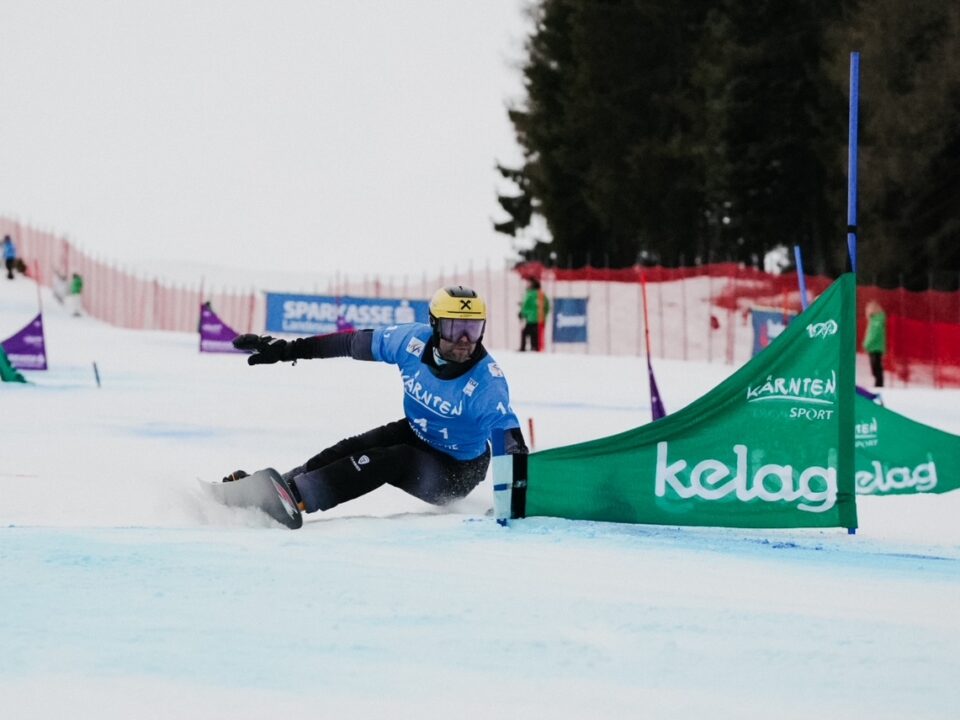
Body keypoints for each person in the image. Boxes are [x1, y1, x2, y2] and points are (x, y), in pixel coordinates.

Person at [225, 286, 528, 516]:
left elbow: (510, 444)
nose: (465, 340)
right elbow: (346, 343)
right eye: (455, 328)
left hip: (456, 471)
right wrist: (287, 350)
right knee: (351, 448)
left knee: (391, 460)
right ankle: (278, 487)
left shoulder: (487, 383)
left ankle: (295, 499)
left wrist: (517, 500)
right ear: (434, 326)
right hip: (418, 432)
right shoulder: (410, 342)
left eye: (472, 329)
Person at [519, 278, 549, 351]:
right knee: (535, 334)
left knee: (525, 332)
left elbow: (525, 306)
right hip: (540, 319)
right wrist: (544, 315)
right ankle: (535, 347)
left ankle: (523, 347)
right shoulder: (542, 295)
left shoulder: (529, 295)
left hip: (530, 319)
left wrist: (522, 313)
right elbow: (547, 307)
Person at [863, 300, 886, 387]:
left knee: (876, 367)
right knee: (875, 367)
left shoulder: (877, 320)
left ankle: (879, 385)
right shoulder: (873, 320)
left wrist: (867, 343)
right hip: (873, 346)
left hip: (876, 347)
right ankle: (878, 384)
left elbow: (874, 334)